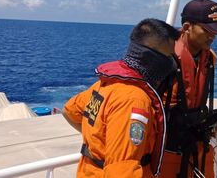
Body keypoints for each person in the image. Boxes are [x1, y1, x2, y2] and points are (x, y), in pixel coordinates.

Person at [63, 18, 180, 178]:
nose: (172, 63)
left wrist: (101, 143)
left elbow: (70, 112)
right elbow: (122, 170)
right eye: (168, 55)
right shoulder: (134, 100)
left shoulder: (104, 85)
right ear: (151, 54)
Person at [159, 0, 217, 178]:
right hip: (167, 150)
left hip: (199, 147)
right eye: (207, 30)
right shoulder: (162, 59)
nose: (212, 36)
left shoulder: (210, 58)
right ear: (186, 27)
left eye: (215, 31)